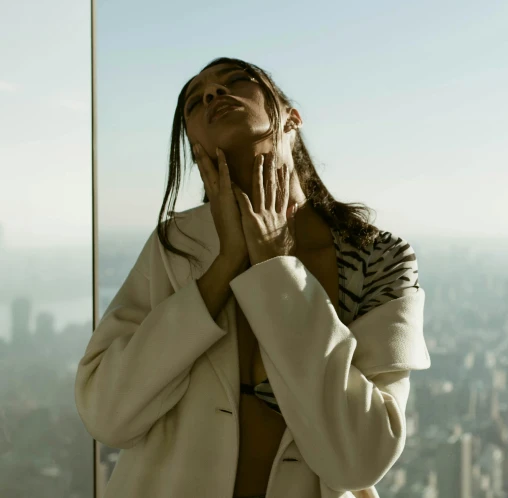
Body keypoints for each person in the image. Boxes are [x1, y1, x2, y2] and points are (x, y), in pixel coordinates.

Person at [74, 57, 431, 498]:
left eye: (236, 81)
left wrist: (274, 270)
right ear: (194, 145)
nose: (211, 95)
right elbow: (106, 414)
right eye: (193, 101)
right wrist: (224, 267)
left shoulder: (379, 259)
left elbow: (358, 460)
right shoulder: (176, 247)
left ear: (292, 119)